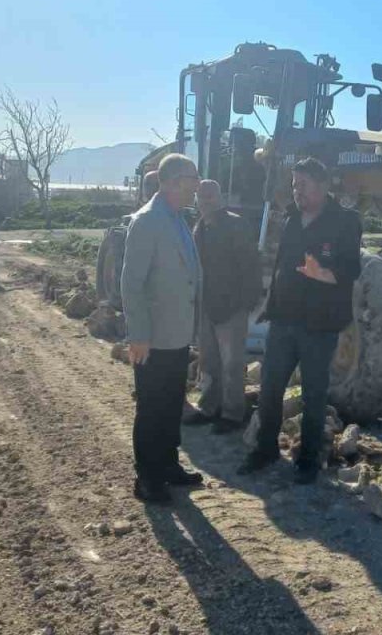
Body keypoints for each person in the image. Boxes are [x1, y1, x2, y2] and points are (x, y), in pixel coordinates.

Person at [239, 158, 361, 484]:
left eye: (303, 185)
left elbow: (352, 269)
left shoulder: (346, 222)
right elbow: (281, 266)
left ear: (323, 186)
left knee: (314, 395)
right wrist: (271, 304)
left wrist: (323, 273)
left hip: (319, 327)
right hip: (284, 321)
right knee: (270, 389)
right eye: (294, 185)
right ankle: (265, 450)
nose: (297, 192)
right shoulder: (293, 220)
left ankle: (308, 461)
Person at [121, 154, 204, 504]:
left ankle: (168, 465)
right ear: (171, 182)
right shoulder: (147, 222)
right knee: (152, 407)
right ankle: (148, 478)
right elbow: (131, 284)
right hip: (152, 338)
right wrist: (138, 334)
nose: (196, 188)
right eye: (192, 181)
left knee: (171, 404)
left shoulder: (177, 219)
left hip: (176, 334)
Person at [183, 180, 261, 434]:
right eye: (201, 196)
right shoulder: (199, 228)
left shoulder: (236, 225)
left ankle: (232, 414)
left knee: (232, 364)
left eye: (210, 196)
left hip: (231, 306)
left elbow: (250, 264)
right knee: (209, 361)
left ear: (220, 198)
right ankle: (208, 407)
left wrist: (247, 302)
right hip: (208, 306)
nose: (205, 200)